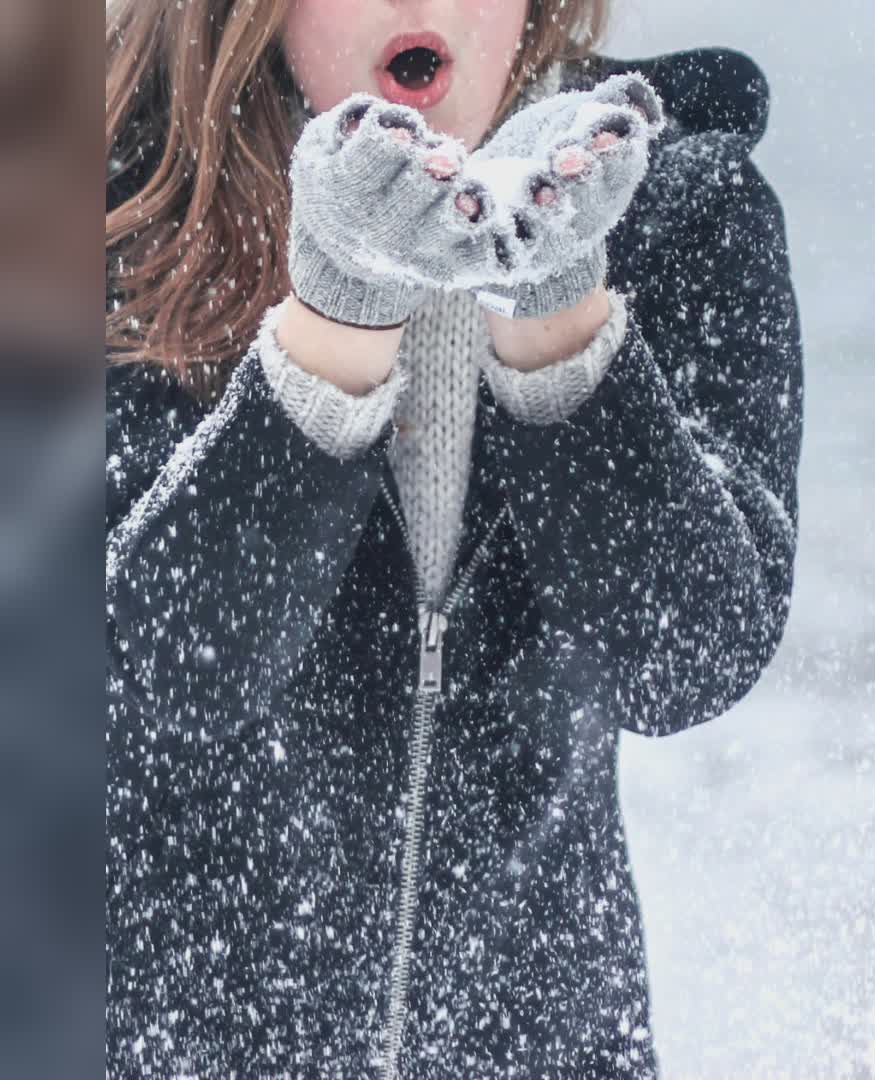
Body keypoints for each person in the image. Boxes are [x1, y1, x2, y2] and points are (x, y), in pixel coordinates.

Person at [104, 0, 804, 1074]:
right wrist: (338, 317)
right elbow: (148, 666)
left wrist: (558, 312)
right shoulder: (102, 210)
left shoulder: (677, 210)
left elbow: (686, 657)